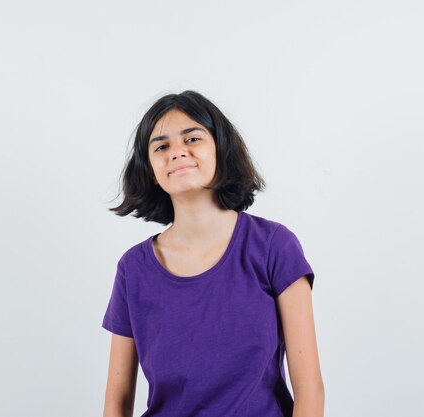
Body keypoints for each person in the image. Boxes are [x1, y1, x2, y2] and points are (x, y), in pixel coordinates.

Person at [101, 90, 324, 417]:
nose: (177, 152)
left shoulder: (274, 246)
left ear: (221, 149)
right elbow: (116, 402)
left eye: (192, 138)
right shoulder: (133, 269)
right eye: (161, 146)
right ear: (149, 169)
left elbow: (310, 390)